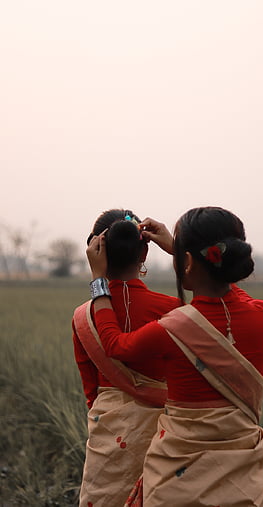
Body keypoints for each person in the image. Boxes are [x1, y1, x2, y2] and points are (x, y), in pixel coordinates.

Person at [86, 206, 263, 507]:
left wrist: (99, 280)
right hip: (242, 477)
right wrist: (183, 252)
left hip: (176, 476)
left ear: (186, 261)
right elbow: (232, 294)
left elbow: (115, 345)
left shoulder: (172, 327)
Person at [72, 209, 180, 507]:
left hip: (108, 435)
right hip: (166, 435)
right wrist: (179, 252)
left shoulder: (85, 316)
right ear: (144, 252)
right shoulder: (174, 309)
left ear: (95, 252)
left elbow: (90, 391)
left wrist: (112, 426)